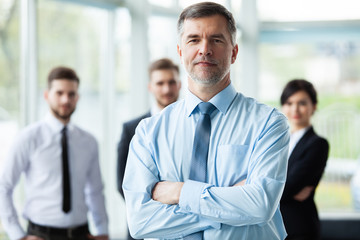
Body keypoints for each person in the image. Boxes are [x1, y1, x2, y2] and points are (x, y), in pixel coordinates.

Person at [122, 2, 290, 240]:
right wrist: (231, 204)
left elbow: (260, 205)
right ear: (180, 52)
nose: (205, 49)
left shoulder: (269, 124)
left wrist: (180, 192)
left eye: (216, 40)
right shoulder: (149, 132)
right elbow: (140, 222)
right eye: (193, 40)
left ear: (234, 52)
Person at [0, 67, 109, 240]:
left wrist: (103, 230)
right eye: (59, 93)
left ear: (77, 97)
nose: (66, 99)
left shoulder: (89, 142)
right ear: (46, 95)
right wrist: (18, 235)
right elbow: (4, 186)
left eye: (71, 94)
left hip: (81, 234)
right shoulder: (28, 138)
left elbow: (95, 190)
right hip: (41, 234)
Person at [117, 58, 181, 240]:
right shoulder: (131, 129)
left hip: (186, 225)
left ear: (179, 84)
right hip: (143, 225)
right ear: (150, 87)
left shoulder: (195, 124)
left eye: (171, 82)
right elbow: (122, 182)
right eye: (160, 83)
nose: (167, 89)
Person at [280, 79, 329, 240]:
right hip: (272, 228)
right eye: (289, 102)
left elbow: (290, 186)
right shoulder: (276, 142)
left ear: (313, 106)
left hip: (299, 227)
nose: (295, 109)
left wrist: (259, 189)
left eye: (302, 103)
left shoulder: (317, 144)